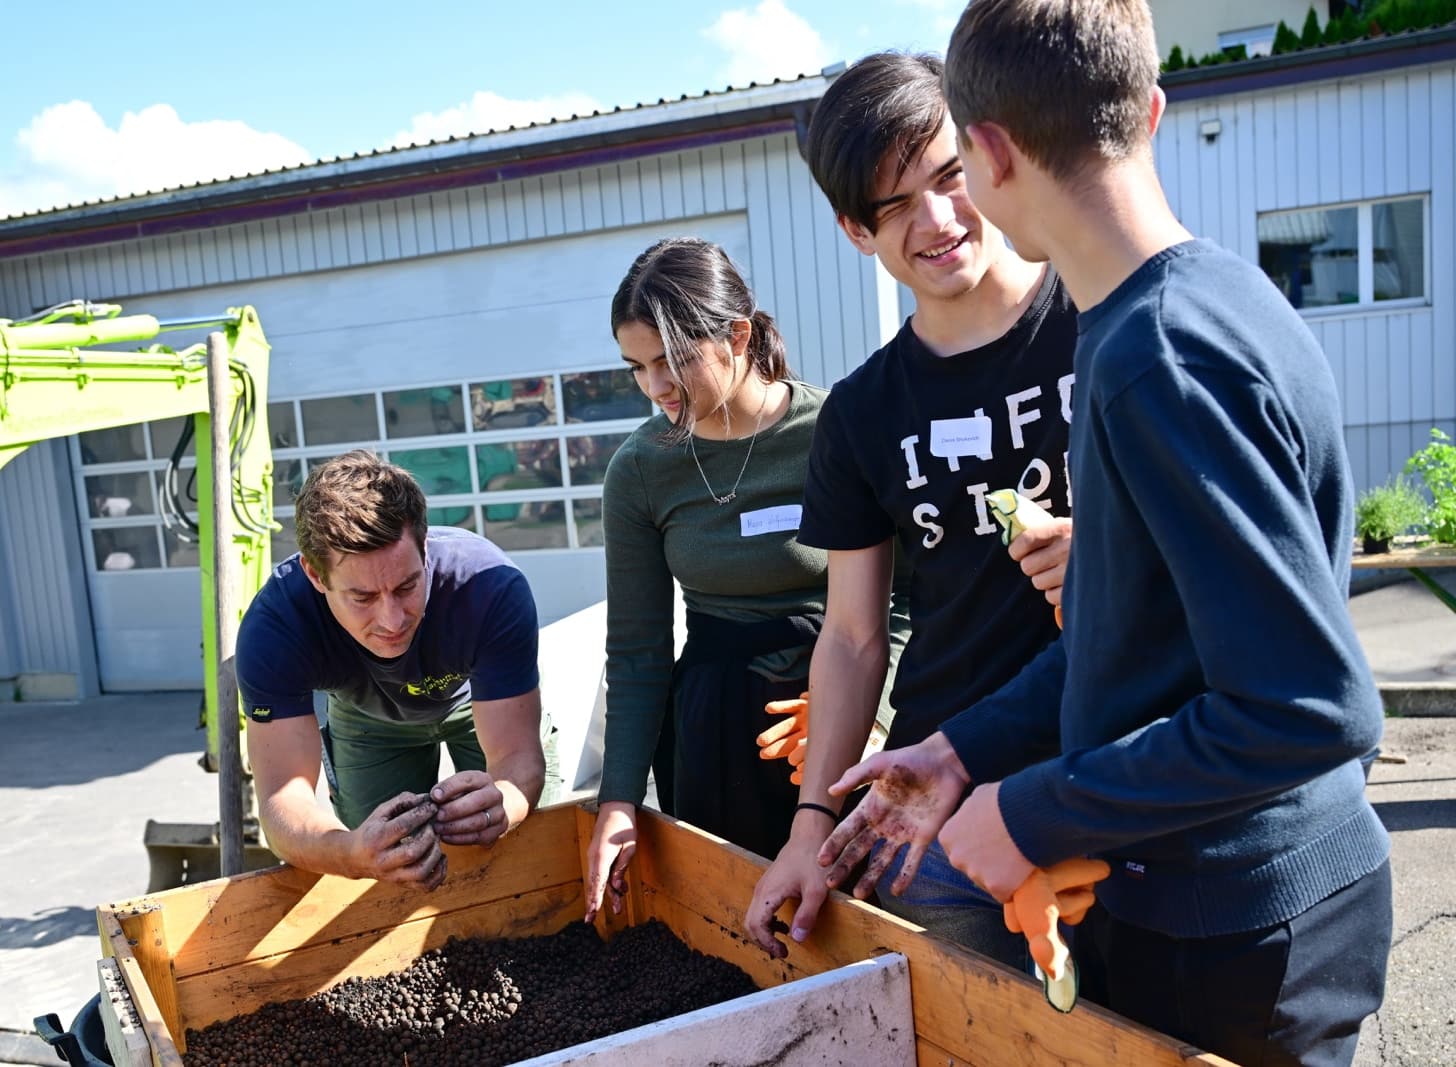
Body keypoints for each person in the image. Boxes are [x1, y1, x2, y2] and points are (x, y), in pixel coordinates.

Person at [818, 3, 1393, 1064]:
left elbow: (1310, 706)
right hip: (1235, 901)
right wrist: (959, 751)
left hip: (1239, 922)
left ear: (987, 154)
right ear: (1152, 110)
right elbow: (1146, 629)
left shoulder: (1150, 361)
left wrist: (1032, 808)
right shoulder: (1212, 295)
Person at [743, 51, 1077, 967]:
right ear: (857, 232)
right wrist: (810, 824)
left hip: (1106, 773)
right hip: (932, 810)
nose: (935, 221)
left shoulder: (1101, 322)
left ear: (988, 156)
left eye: (948, 177)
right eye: (893, 207)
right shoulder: (861, 412)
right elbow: (851, 638)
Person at [582, 237, 907, 921]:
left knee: (853, 930)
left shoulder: (835, 431)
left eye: (670, 361)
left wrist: (868, 715)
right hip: (713, 731)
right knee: (731, 934)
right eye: (635, 367)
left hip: (835, 719)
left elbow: (907, 600)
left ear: (736, 334)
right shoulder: (640, 470)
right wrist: (618, 800)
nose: (654, 388)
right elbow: (638, 649)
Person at [236, 450, 556, 890]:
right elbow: (281, 804)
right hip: (367, 719)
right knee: (382, 865)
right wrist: (349, 853)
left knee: (536, 845)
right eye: (362, 597)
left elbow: (518, 757)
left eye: (407, 585)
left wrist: (508, 803)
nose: (392, 620)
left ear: (424, 547)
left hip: (476, 701)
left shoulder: (488, 587)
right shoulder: (274, 628)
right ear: (314, 574)